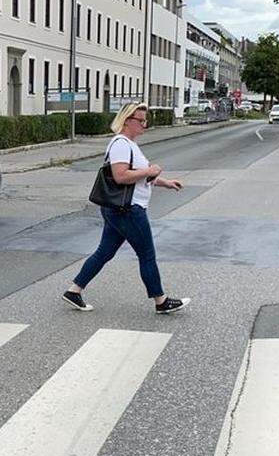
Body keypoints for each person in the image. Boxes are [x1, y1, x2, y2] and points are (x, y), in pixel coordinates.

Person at [62, 102, 188, 314]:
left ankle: (74, 291)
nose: (144, 125)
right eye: (141, 120)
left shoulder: (129, 144)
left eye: (145, 121)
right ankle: (161, 301)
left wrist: (164, 182)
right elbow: (121, 176)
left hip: (119, 209)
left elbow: (137, 176)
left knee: (104, 252)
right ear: (128, 121)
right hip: (127, 210)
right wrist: (150, 169)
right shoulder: (121, 144)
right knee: (147, 255)